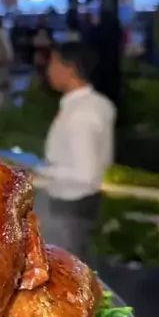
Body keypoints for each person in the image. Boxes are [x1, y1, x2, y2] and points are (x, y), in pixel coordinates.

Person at [36, 42, 116, 262]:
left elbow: (86, 175)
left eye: (53, 63)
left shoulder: (81, 115)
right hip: (85, 204)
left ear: (69, 69)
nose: (48, 70)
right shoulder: (97, 104)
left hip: (68, 207)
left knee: (64, 267)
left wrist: (42, 173)